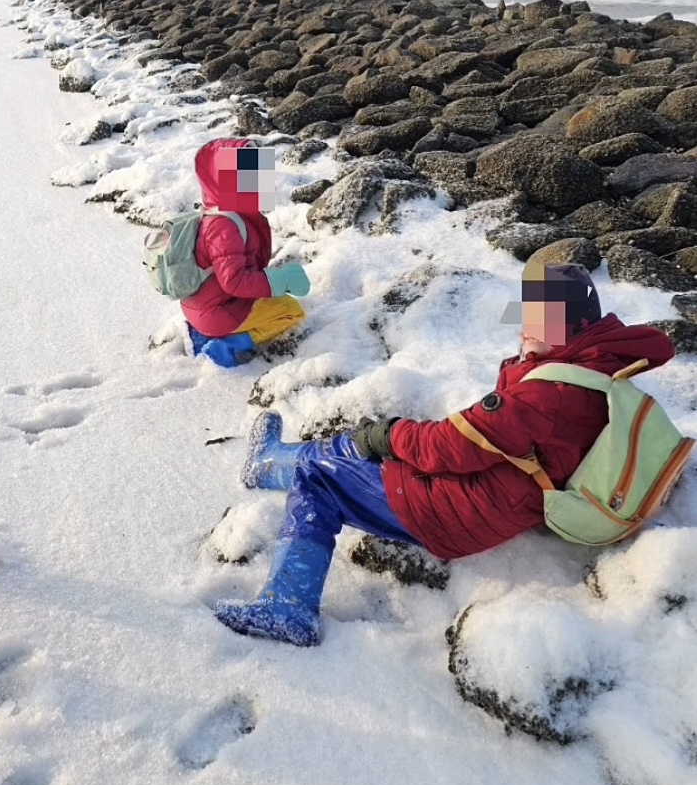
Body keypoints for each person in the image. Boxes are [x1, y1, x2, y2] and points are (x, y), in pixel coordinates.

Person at [214, 262, 675, 645]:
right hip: (500, 492)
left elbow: (448, 446)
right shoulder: (595, 368)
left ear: (572, 324)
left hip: (461, 512)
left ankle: (289, 607)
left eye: (538, 320)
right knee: (360, 451)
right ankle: (271, 463)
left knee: (323, 479)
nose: (523, 329)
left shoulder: (548, 395)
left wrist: (389, 435)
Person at [181, 138, 309, 367]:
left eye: (258, 170)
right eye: (248, 174)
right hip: (217, 311)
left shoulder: (222, 213)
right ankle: (223, 346)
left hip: (208, 305)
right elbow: (234, 281)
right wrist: (278, 281)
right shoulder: (224, 226)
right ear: (224, 179)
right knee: (291, 311)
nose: (259, 180)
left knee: (272, 300)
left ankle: (203, 331)